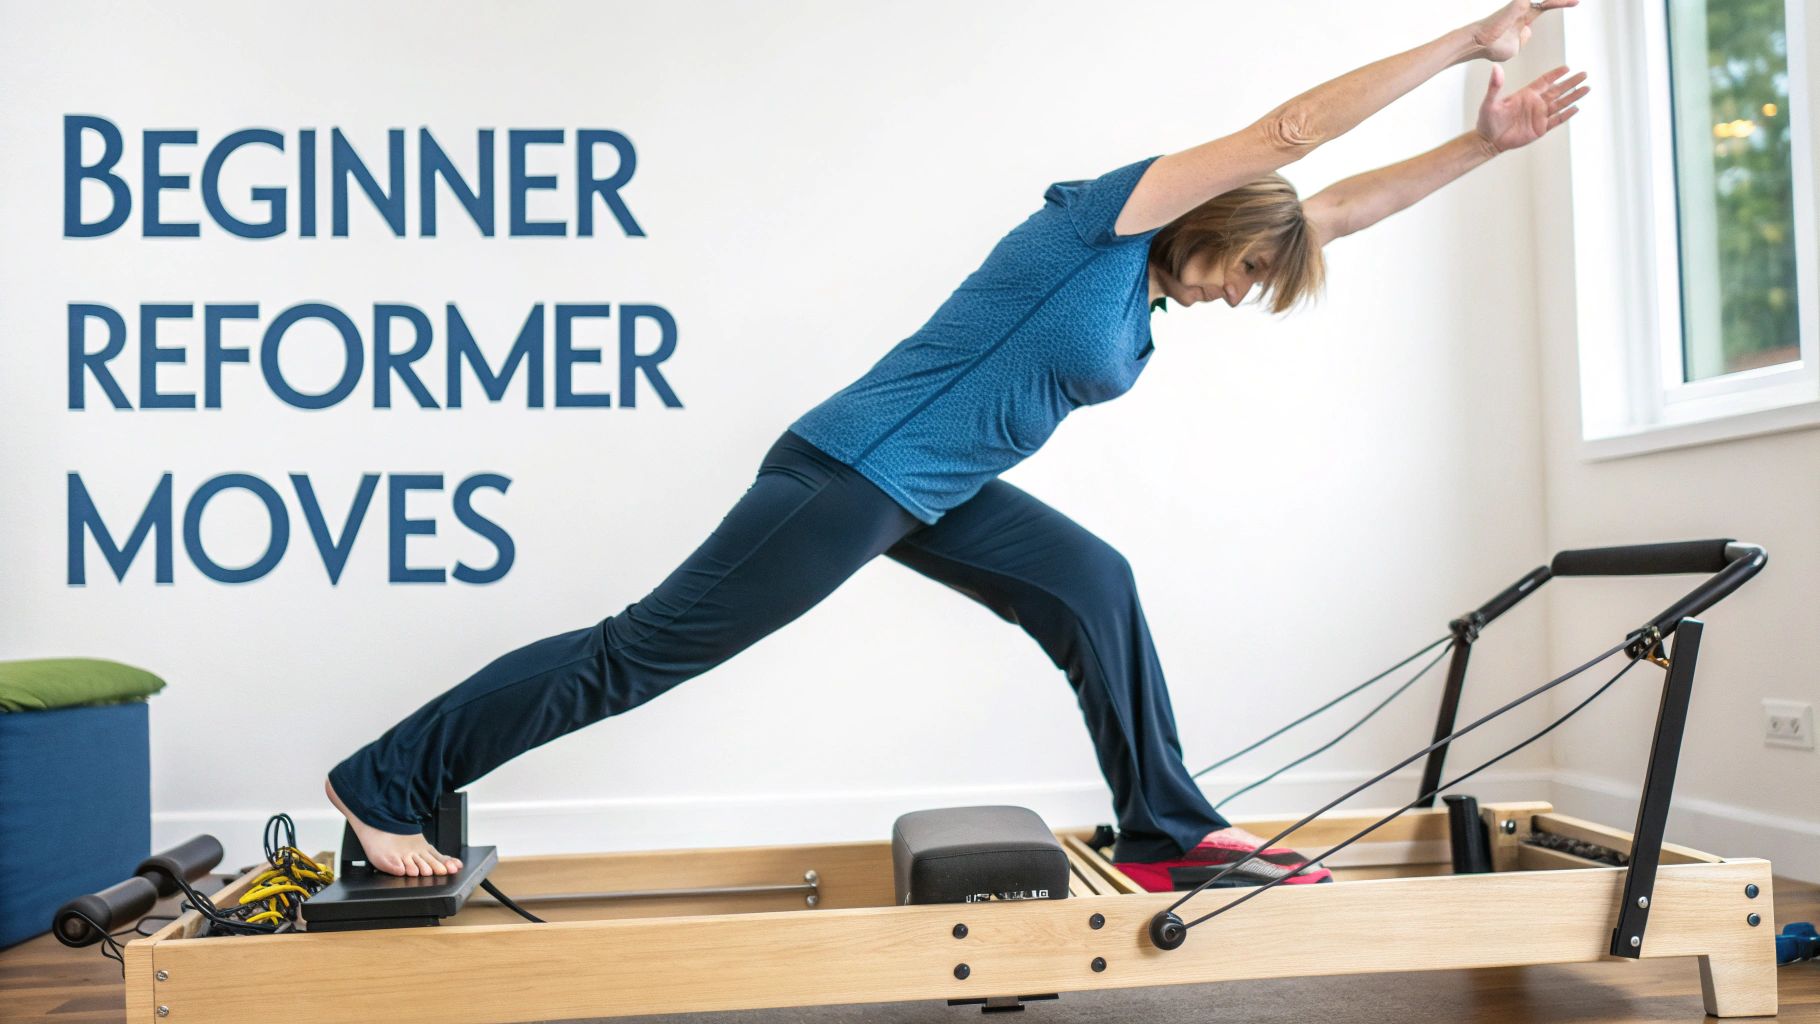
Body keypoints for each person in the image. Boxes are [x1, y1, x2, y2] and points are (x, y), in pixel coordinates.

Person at [325, 0, 1587, 890]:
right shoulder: (1106, 222)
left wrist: (1484, 142)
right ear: (1212, 220)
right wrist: (1465, 41)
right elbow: (1291, 138)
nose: (1238, 293)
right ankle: (385, 778)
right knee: (638, 654)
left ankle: (1163, 828)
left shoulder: (1151, 287)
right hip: (849, 471)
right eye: (1248, 268)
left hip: (929, 490)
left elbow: (1335, 205)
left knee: (1093, 584)